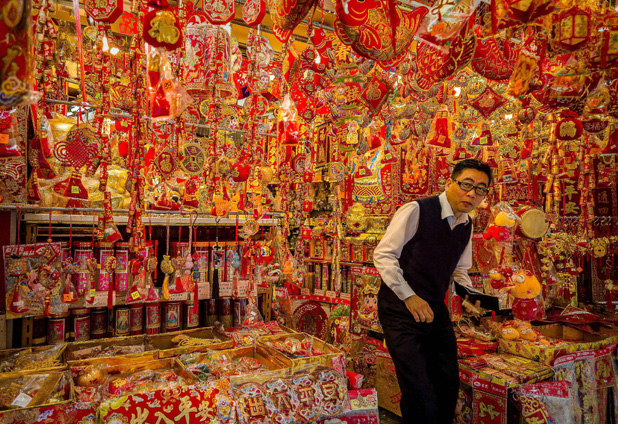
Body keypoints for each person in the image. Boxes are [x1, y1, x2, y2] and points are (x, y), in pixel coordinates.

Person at [373, 158, 492, 424]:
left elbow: (460, 269)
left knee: (447, 382)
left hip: (435, 307)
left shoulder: (466, 223)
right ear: (449, 183)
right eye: (466, 184)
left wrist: (471, 296)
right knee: (418, 389)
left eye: (480, 189)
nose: (472, 194)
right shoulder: (417, 210)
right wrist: (409, 296)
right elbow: (383, 255)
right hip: (400, 309)